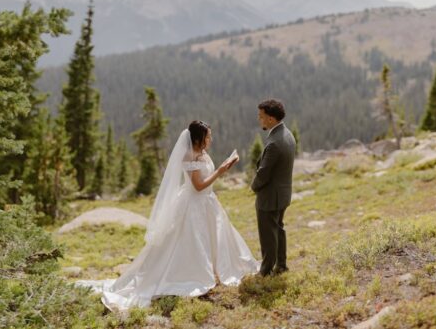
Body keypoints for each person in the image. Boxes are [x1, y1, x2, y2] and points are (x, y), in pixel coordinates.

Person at [76, 121, 259, 310]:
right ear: (198, 138)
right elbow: (198, 186)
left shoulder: (202, 153)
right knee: (193, 239)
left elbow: (206, 181)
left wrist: (223, 167)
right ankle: (192, 273)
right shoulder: (189, 155)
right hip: (193, 205)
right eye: (207, 136)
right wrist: (220, 171)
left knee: (215, 235)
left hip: (208, 202)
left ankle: (216, 269)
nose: (210, 139)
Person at [250, 99, 296, 276]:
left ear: (270, 118)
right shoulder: (287, 134)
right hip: (283, 194)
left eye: (261, 116)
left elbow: (264, 173)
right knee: (278, 228)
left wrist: (254, 186)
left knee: (268, 234)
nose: (259, 119)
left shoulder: (274, 142)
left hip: (270, 196)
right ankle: (281, 265)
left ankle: (266, 270)